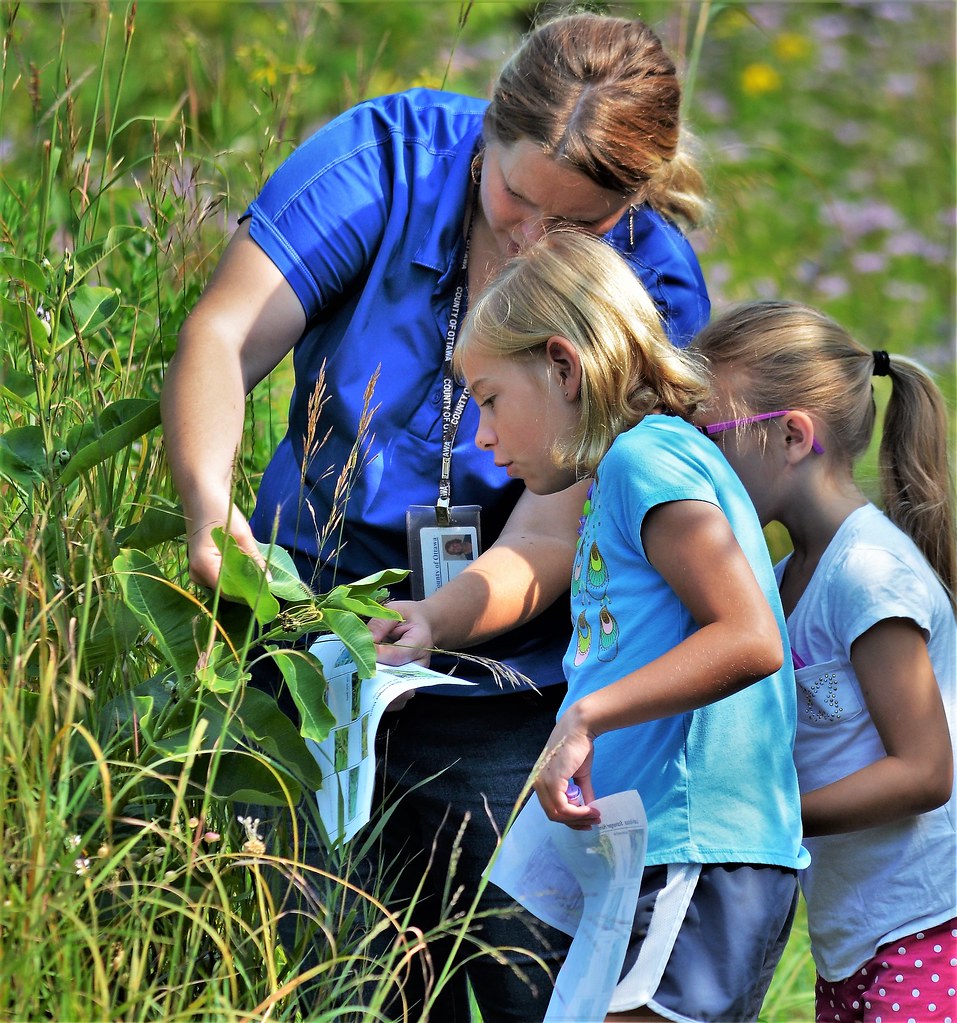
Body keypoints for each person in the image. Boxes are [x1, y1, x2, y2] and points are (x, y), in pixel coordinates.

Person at [160, 11, 710, 1021]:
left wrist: (437, 622)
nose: (529, 238)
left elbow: (551, 534)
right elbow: (224, 333)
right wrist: (208, 509)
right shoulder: (389, 157)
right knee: (302, 965)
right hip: (311, 649)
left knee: (511, 976)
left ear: (629, 205)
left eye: (574, 227)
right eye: (514, 196)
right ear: (484, 139)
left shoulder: (655, 287)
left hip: (514, 688)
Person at [454, 229, 808, 1023]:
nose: (480, 436)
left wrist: (584, 714)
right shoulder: (631, 468)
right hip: (673, 854)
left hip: (696, 848)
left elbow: (750, 636)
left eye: (487, 399)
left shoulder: (642, 460)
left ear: (561, 365)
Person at [692, 301, 956, 1023]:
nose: (695, 465)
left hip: (927, 930)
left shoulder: (866, 573)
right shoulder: (785, 576)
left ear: (789, 434)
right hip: (855, 935)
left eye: (706, 435)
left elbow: (925, 771)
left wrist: (766, 819)